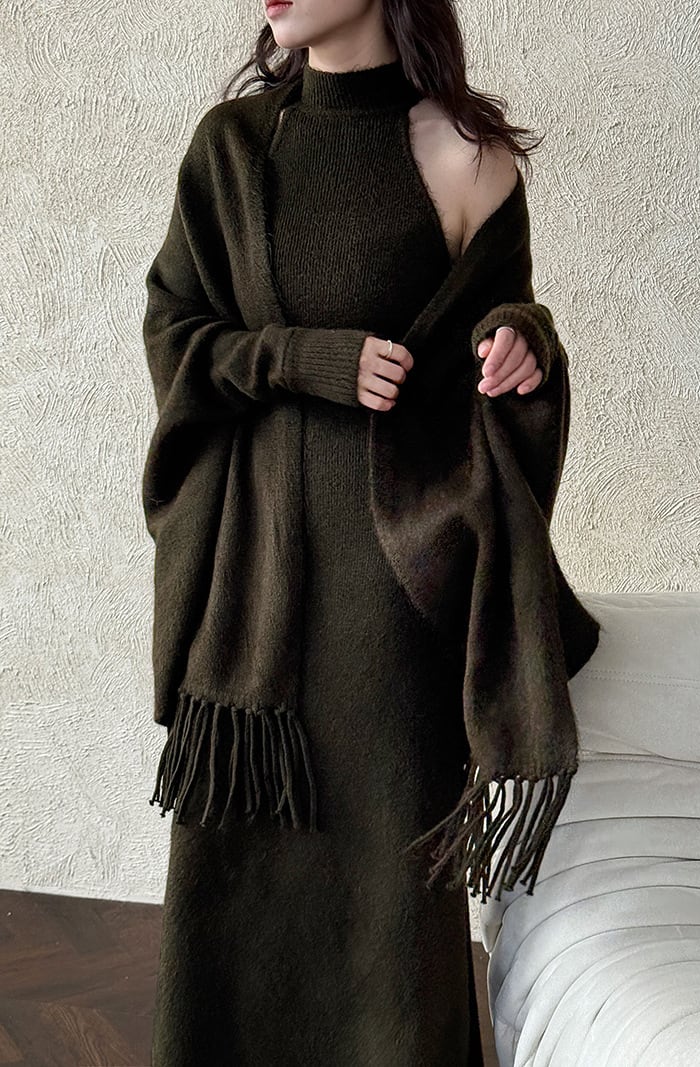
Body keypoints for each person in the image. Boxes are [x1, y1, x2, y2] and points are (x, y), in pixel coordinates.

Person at [147, 1, 551, 1063]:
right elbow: (178, 338)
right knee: (236, 882)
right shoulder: (233, 149)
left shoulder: (465, 157)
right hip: (253, 611)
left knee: (389, 902)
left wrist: (522, 343)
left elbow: (492, 336)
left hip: (392, 604)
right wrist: (296, 356)